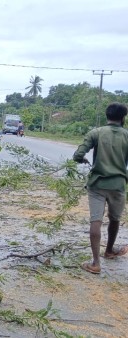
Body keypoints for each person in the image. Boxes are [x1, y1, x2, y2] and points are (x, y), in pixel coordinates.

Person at [73, 102, 128, 274]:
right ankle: (109, 250)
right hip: (118, 185)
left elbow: (78, 155)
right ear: (123, 118)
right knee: (115, 219)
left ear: (107, 115)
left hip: (97, 184)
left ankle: (96, 263)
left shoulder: (96, 132)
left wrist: (83, 161)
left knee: (96, 220)